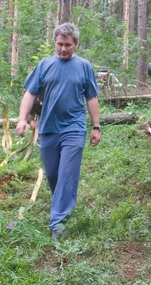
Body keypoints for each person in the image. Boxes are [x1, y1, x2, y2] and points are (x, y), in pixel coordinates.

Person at [16, 22, 101, 239]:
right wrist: (22, 119)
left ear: (76, 44)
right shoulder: (44, 65)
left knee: (67, 173)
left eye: (68, 45)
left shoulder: (84, 66)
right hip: (48, 129)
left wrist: (96, 127)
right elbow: (29, 94)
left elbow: (91, 97)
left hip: (74, 128)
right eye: (60, 44)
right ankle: (62, 202)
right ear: (55, 43)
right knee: (53, 174)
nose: (63, 49)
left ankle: (58, 222)